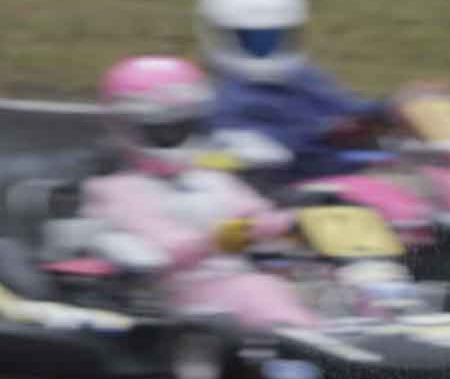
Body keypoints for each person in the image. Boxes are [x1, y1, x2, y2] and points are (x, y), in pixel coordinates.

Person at [73, 56, 298, 319]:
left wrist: (297, 221)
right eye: (162, 129)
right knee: (256, 290)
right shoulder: (114, 190)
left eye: (184, 125)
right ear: (125, 126)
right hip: (177, 300)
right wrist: (226, 237)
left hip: (244, 286)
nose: (176, 134)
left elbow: (259, 215)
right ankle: (318, 343)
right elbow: (168, 249)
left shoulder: (210, 177)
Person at [195, 0, 391, 180]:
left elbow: (354, 111)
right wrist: (331, 134)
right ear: (218, 34)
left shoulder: (305, 77)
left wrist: (394, 108)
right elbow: (265, 150)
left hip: (355, 178)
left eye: (276, 37)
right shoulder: (222, 99)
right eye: (251, 39)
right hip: (293, 192)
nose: (265, 47)